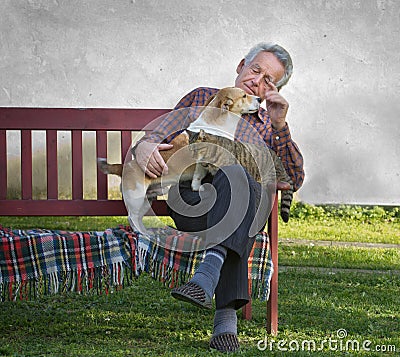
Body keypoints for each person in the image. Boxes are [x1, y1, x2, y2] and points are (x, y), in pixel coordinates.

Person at [133, 42, 304, 352]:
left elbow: (293, 178)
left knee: (238, 177)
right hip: (192, 199)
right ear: (241, 65)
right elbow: (158, 134)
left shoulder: (267, 124)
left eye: (269, 81)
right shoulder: (202, 97)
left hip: (242, 208)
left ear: (274, 91)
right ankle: (225, 316)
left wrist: (280, 126)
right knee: (236, 179)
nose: (257, 81)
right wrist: (145, 146)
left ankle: (206, 278)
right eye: (256, 70)